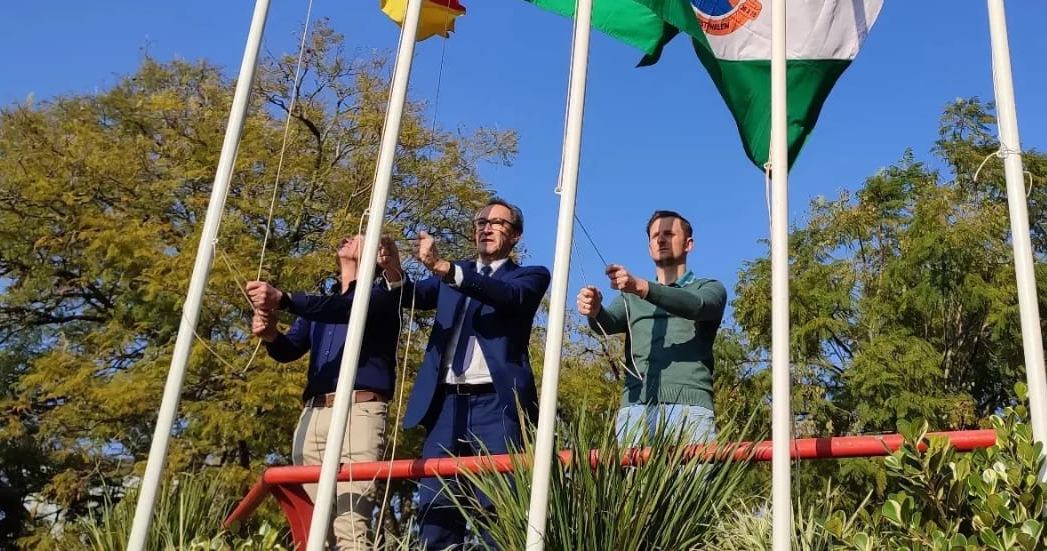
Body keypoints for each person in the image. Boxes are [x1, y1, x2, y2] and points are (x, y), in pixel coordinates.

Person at [400, 197, 550, 551]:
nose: (487, 228)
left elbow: (509, 296)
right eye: (481, 222)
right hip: (445, 406)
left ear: (515, 235)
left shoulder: (529, 275)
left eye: (497, 223)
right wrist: (392, 270)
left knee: (497, 513)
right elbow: (411, 295)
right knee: (436, 512)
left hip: (496, 406)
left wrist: (445, 267)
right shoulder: (449, 277)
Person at [246, 234, 404, 551]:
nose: (348, 238)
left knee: (351, 527)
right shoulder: (323, 302)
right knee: (313, 528)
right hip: (314, 414)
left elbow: (345, 309)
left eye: (360, 236)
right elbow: (290, 349)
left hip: (360, 413)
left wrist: (283, 298)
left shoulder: (383, 296)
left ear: (377, 255)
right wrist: (271, 334)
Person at [575, 210, 727, 445]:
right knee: (632, 472)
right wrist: (594, 309)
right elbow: (607, 323)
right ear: (649, 248)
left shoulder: (709, 288)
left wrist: (642, 288)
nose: (661, 239)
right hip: (636, 409)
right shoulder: (631, 297)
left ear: (689, 244)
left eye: (669, 234)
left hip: (691, 409)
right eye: (655, 236)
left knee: (694, 472)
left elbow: (699, 306)